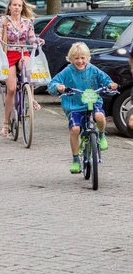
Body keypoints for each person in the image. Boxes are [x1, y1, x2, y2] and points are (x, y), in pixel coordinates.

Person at [48, 41, 117, 174]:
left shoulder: (93, 70)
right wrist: (58, 87)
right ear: (71, 59)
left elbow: (106, 80)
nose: (80, 61)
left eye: (82, 58)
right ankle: (75, 160)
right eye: (76, 58)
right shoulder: (67, 71)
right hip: (74, 106)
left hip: (93, 102)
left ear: (87, 58)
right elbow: (53, 83)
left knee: (100, 116)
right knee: (75, 129)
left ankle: (102, 135)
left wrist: (111, 85)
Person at [0, 0, 43, 137]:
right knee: (12, 89)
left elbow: (32, 38)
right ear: (9, 7)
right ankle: (6, 123)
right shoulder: (4, 20)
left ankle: (31, 97)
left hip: (23, 52)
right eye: (14, 5)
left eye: (19, 5)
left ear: (22, 8)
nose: (16, 7)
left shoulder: (27, 22)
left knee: (29, 71)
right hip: (8, 53)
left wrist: (37, 42)